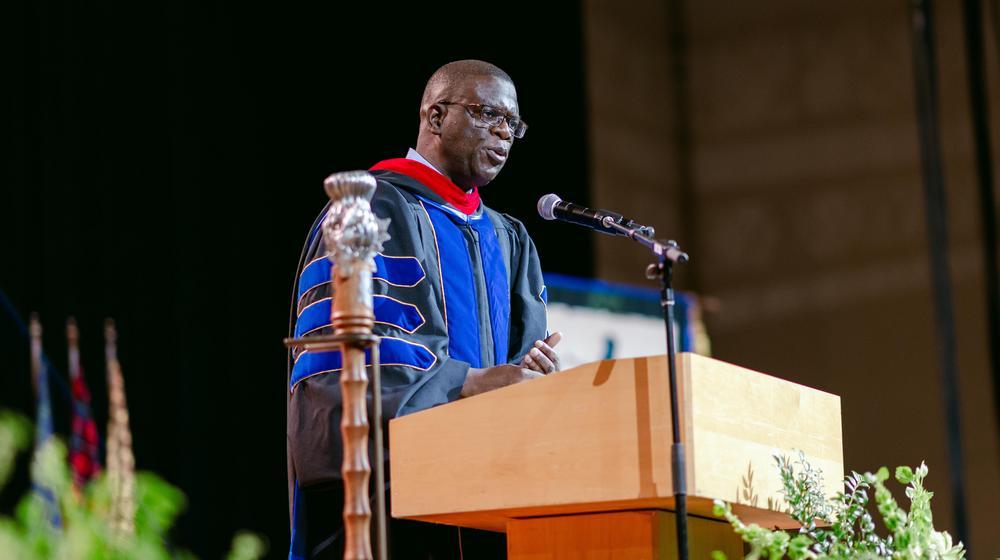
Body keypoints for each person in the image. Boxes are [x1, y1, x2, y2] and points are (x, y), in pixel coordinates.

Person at [287, 60, 562, 560]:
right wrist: (470, 383)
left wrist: (531, 378)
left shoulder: (510, 237)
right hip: (395, 501)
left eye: (513, 124)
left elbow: (521, 365)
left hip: (495, 496)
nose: (504, 133)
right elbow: (342, 366)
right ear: (436, 116)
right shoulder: (368, 210)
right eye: (487, 114)